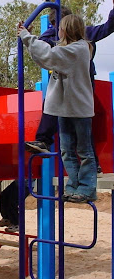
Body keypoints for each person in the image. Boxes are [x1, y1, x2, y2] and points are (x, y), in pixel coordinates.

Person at [25, 0, 114, 177]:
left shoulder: (84, 36)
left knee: (80, 121)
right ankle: (43, 140)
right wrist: (29, 38)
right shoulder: (51, 36)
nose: (59, 28)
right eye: (56, 25)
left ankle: (92, 164)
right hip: (61, 80)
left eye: (62, 24)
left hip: (80, 80)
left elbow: (107, 27)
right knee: (51, 106)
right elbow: (44, 52)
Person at [18, 14, 97, 203]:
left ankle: (87, 188)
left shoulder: (79, 49)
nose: (58, 30)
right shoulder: (69, 49)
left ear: (67, 30)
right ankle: (73, 186)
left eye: (60, 27)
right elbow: (45, 57)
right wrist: (29, 39)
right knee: (66, 150)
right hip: (65, 108)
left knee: (84, 150)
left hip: (78, 109)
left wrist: (27, 37)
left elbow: (49, 55)